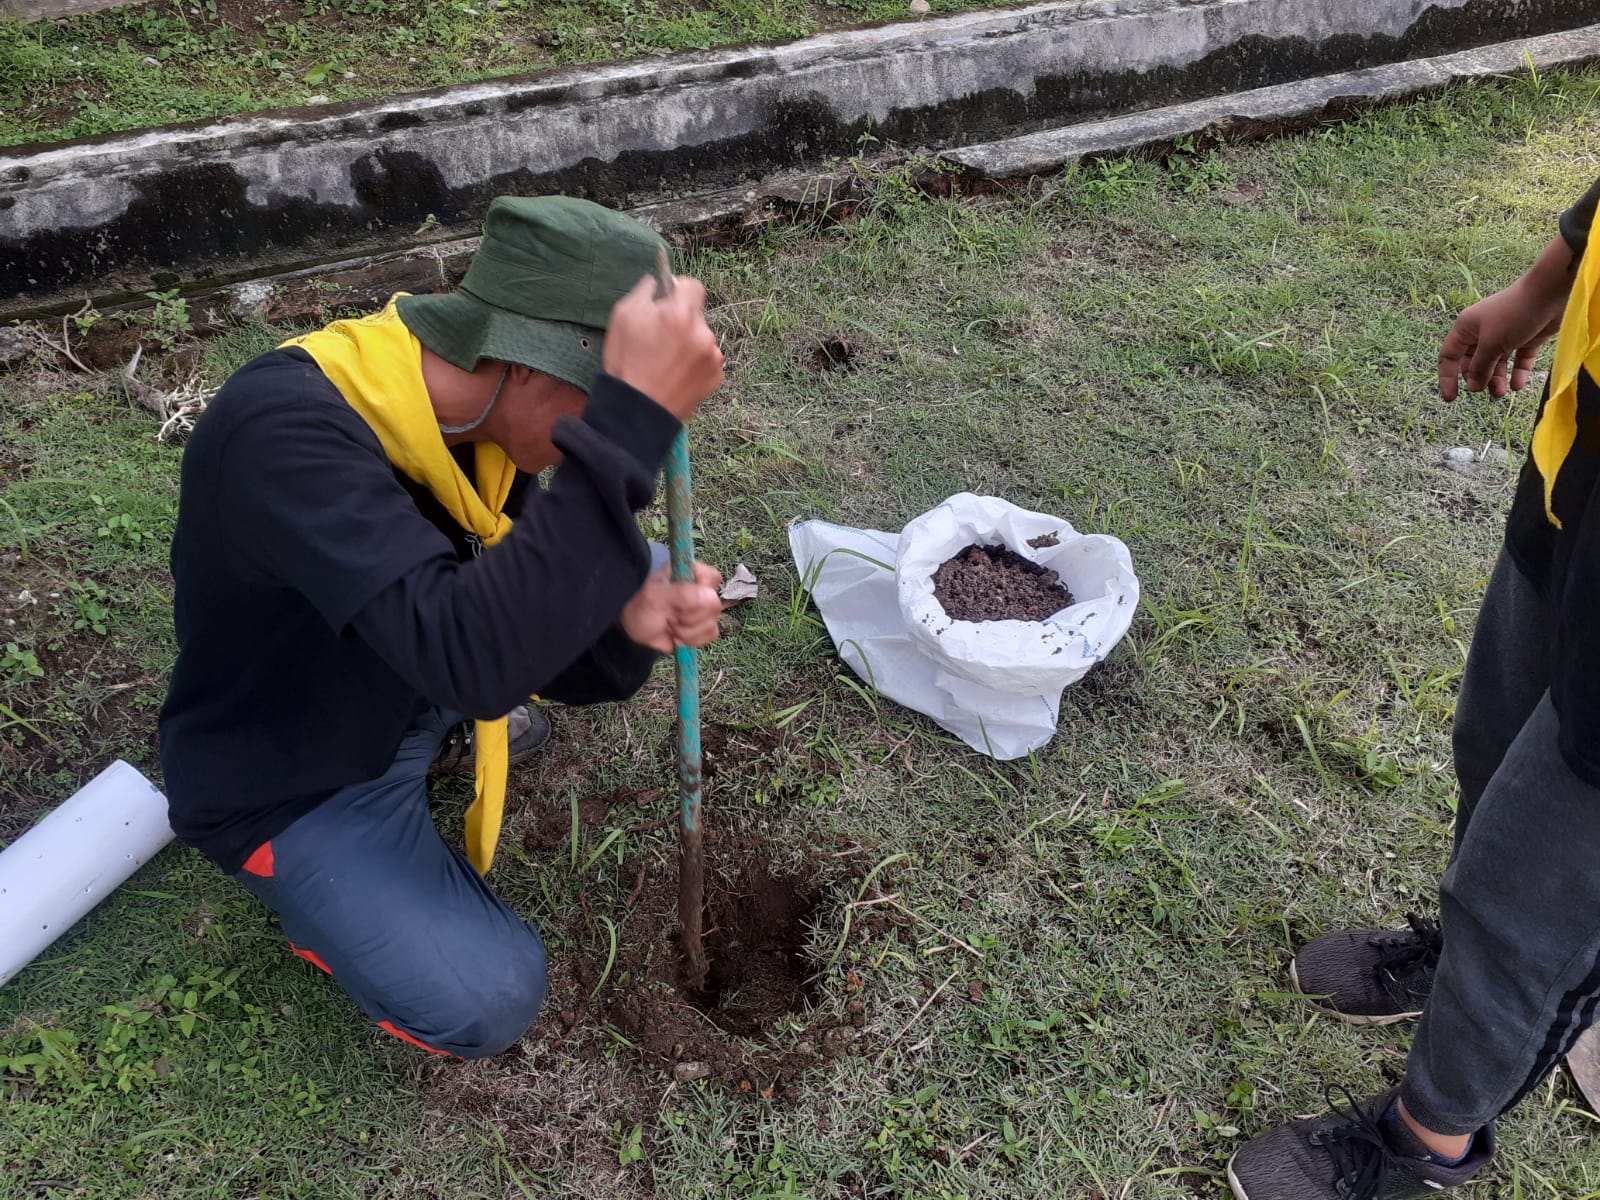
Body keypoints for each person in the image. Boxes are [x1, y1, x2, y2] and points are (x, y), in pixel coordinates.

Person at [158, 196, 726, 1059]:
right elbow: (473, 660)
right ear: (525, 363)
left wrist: (627, 627)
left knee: (631, 571)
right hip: (293, 772)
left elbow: (567, 668)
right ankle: (324, 902)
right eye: (597, 411)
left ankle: (434, 738)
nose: (593, 445)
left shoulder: (480, 429)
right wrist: (623, 435)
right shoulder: (284, 437)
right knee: (486, 1000)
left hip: (417, 672)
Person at [1226, 176, 1600, 1199]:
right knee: (1493, 739)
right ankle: (1449, 974)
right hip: (1583, 460)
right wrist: (1546, 284)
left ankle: (1424, 1145)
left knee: (1542, 891)